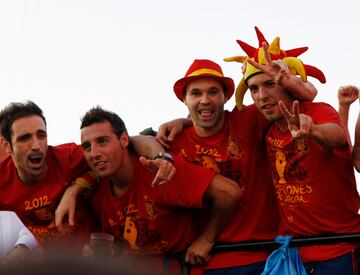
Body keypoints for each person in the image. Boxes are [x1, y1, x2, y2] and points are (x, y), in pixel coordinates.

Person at [154, 32, 318, 274]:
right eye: (196, 94)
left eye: (213, 92)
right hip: (210, 261)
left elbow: (306, 95)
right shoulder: (172, 144)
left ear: (226, 97)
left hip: (266, 256)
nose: (205, 100)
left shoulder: (247, 119)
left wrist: (286, 79)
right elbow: (138, 143)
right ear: (184, 100)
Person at [58, 106, 242, 274]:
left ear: (124, 139)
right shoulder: (98, 195)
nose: (94, 153)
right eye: (87, 147)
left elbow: (229, 193)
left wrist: (207, 239)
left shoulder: (160, 170)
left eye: (103, 141)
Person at [238, 30, 360, 274]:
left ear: (286, 84)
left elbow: (335, 136)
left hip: (337, 252)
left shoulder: (317, 112)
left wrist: (311, 130)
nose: (261, 96)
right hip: (290, 253)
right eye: (253, 88)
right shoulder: (264, 128)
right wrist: (181, 123)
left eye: (269, 84)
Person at [0, 101, 97, 255]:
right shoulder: (3, 180)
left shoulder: (67, 158)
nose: (36, 146)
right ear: (6, 145)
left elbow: (116, 152)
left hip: (94, 256)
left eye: (41, 135)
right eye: (25, 138)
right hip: (53, 263)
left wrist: (74, 189)